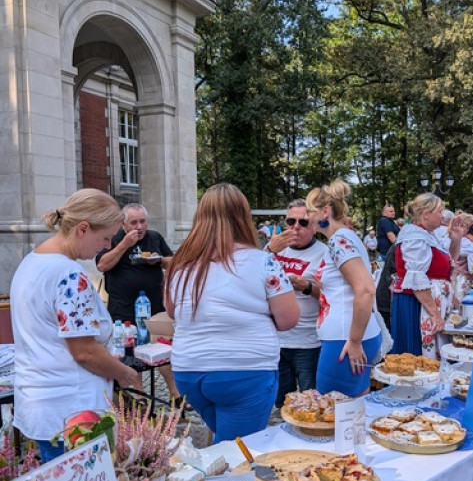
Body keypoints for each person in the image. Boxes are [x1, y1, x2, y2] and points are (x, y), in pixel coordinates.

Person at [10, 189, 138, 463]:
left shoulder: (32, 262)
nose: (104, 246)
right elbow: (84, 352)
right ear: (83, 229)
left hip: (44, 402)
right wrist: (123, 373)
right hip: (72, 411)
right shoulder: (69, 273)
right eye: (104, 238)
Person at [165, 184, 299, 442]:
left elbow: (173, 311)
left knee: (225, 443)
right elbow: (288, 319)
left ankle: (213, 477)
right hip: (244, 370)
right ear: (242, 217)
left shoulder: (180, 264)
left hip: (189, 370)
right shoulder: (263, 261)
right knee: (236, 452)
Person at [305, 180, 382, 396]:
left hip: (345, 340)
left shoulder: (339, 241)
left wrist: (355, 341)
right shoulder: (344, 239)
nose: (307, 217)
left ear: (325, 212)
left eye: (310, 212)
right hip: (347, 336)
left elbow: (366, 289)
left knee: (333, 413)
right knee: (355, 407)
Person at [96, 203, 178, 398]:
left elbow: (174, 262)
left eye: (142, 222)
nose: (139, 227)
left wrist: (158, 261)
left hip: (154, 309)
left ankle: (177, 396)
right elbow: (102, 265)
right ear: (123, 225)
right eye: (134, 222)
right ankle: (140, 400)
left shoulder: (154, 237)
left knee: (164, 353)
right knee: (131, 356)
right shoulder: (114, 239)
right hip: (123, 311)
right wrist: (125, 244)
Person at [265, 200, 326, 408]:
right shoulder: (274, 250)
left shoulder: (324, 253)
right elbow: (248, 280)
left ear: (315, 226)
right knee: (281, 402)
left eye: (303, 222)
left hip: (308, 342)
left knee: (310, 402)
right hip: (276, 340)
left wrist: (307, 286)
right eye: (291, 221)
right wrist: (269, 250)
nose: (296, 227)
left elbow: (334, 296)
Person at [391, 193, 466, 358]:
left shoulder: (426, 234)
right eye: (440, 211)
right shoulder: (414, 237)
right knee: (416, 357)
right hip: (417, 305)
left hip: (426, 303)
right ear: (426, 213)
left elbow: (447, 263)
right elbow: (416, 278)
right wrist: (434, 314)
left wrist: (457, 239)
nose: (443, 216)